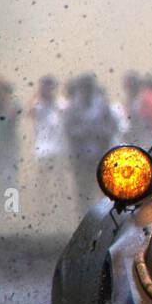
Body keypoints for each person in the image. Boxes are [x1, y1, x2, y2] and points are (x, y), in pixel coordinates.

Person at [64, 74, 117, 216]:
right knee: (82, 189)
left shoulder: (102, 105)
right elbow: (68, 130)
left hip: (99, 154)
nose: (86, 91)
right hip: (80, 155)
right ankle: (82, 217)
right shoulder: (73, 107)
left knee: (103, 188)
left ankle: (103, 216)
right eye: (83, 88)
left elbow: (112, 126)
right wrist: (83, 132)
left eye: (88, 87)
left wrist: (100, 133)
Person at [30, 75, 68, 218]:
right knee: (43, 181)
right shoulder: (38, 104)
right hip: (43, 149)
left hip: (59, 148)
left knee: (60, 180)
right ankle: (41, 209)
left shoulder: (61, 103)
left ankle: (63, 209)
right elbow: (29, 112)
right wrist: (38, 94)